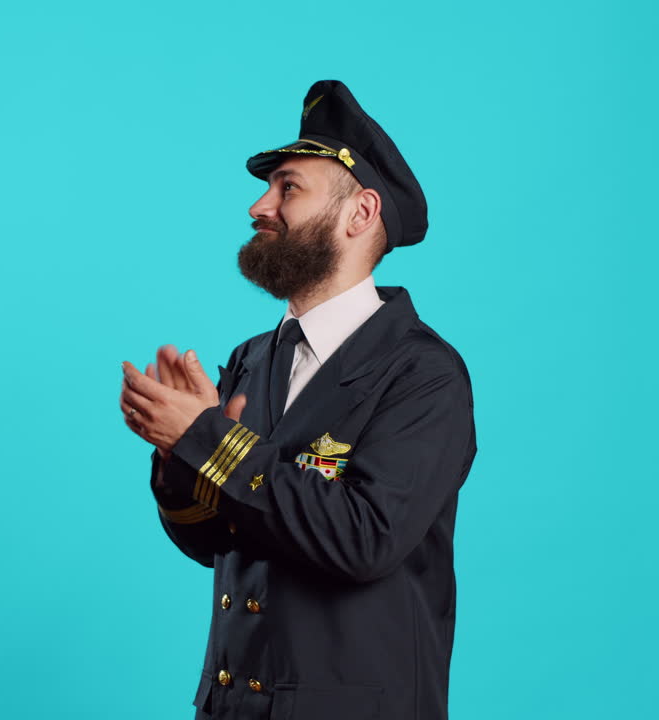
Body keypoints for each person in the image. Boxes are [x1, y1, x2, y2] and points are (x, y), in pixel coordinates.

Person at [119, 79, 478, 720]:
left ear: (359, 213)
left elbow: (364, 540)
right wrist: (178, 456)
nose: (260, 206)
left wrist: (205, 438)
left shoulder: (425, 373)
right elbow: (212, 542)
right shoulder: (253, 358)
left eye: (288, 188)